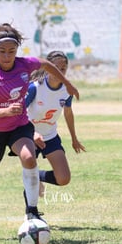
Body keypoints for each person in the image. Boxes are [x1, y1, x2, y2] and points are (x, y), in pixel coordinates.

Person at [0, 23, 79, 237]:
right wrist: (5, 111)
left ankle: (32, 212)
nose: (7, 56)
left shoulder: (25, 65)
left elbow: (47, 65)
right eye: (2, 51)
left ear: (17, 50)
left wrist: (67, 84)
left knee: (29, 157)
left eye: (12, 51)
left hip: (19, 126)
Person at [25, 51, 86, 198]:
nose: (60, 71)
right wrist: (32, 133)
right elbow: (20, 113)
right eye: (55, 67)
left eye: (63, 68)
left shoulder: (67, 90)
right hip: (28, 136)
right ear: (47, 68)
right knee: (30, 178)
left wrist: (74, 139)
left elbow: (68, 113)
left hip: (50, 136)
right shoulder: (35, 88)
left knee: (63, 178)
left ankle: (38, 176)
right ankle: (31, 213)